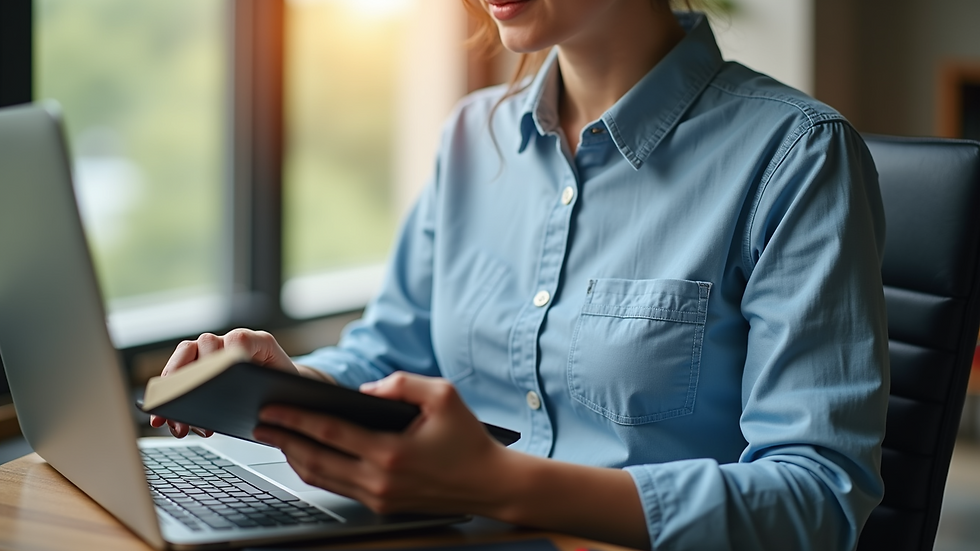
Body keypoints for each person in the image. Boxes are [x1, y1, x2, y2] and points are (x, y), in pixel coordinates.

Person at [151, 1, 889, 549]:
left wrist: (496, 482)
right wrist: (287, 387)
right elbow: (387, 355)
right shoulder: (473, 137)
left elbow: (817, 499)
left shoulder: (797, 156)